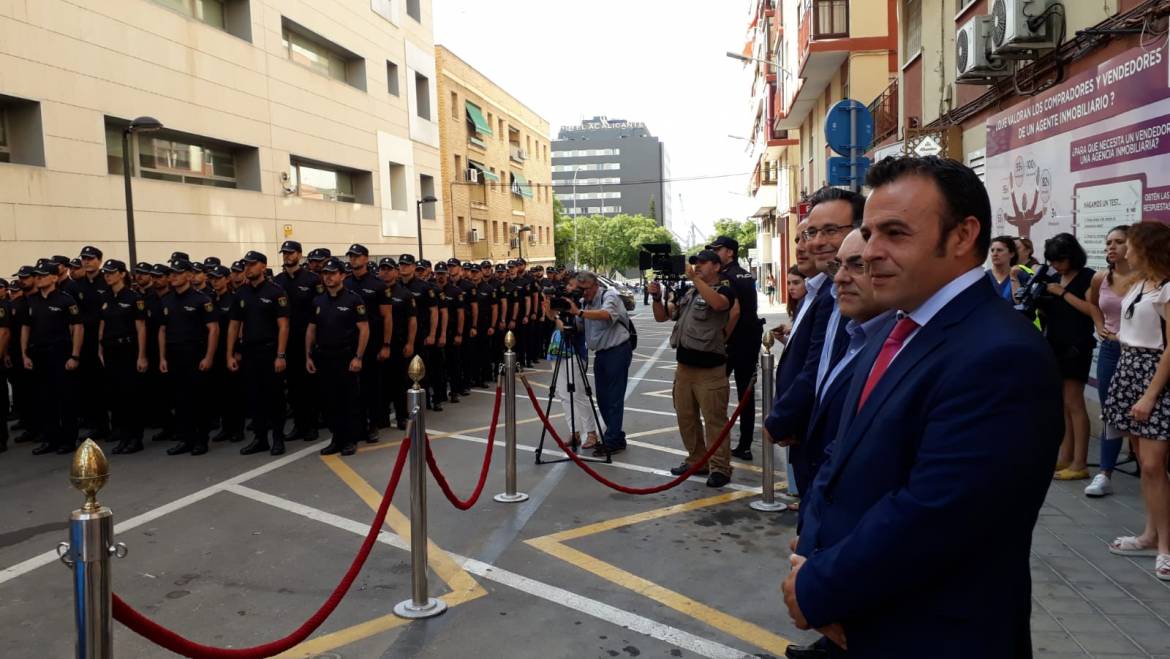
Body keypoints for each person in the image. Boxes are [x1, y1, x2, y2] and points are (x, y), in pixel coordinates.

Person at [783, 156, 1062, 658]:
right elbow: (840, 459)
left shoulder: (1002, 353)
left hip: (929, 634)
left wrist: (818, 585)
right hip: (856, 618)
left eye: (894, 232)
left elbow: (937, 515)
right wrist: (811, 548)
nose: (871, 253)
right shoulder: (893, 327)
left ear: (961, 236)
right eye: (868, 233)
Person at [764, 187, 862, 498]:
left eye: (831, 230)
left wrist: (783, 419)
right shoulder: (826, 295)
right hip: (814, 440)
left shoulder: (868, 304)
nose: (815, 242)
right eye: (811, 233)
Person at [1102, 221, 1170, 581]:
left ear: (1146, 247)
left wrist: (1150, 394)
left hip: (1153, 376)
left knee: (1154, 465)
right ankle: (1150, 534)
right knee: (1145, 463)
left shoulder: (1167, 288)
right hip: (1130, 367)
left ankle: (1165, 547)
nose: (1124, 251)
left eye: (1129, 245)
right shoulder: (1140, 283)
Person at [648, 250, 738, 487]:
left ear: (717, 266)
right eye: (695, 263)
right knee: (686, 418)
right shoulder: (689, 292)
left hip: (710, 370)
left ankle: (720, 467)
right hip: (684, 368)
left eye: (703, 263)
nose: (697, 266)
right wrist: (657, 298)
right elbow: (663, 317)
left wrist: (696, 280)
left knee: (714, 420)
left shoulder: (723, 290)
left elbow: (719, 306)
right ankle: (697, 459)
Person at [1038, 233, 1097, 480]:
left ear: (1071, 256)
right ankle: (1065, 456)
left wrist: (1062, 293)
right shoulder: (1054, 276)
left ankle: (1080, 462)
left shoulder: (1088, 277)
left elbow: (1093, 310)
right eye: (1051, 261)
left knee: (1074, 403)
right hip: (1055, 343)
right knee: (1063, 404)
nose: (1055, 266)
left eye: (1058, 261)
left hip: (1077, 345)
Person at [1085, 225, 1137, 497]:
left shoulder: (1147, 278)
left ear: (1133, 245)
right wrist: (1099, 324)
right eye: (1108, 243)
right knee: (1109, 412)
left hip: (1140, 353)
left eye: (1118, 242)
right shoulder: (1101, 277)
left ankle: (1152, 469)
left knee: (1142, 412)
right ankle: (1105, 473)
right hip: (1109, 350)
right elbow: (1092, 302)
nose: (1111, 247)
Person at [228, 251, 290, 456]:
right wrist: (230, 353)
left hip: (270, 351)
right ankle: (260, 438)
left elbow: (283, 326)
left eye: (252, 264)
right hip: (249, 352)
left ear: (263, 266)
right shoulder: (241, 293)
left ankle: (278, 439)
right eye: (246, 264)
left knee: (274, 398)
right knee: (255, 398)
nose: (248, 268)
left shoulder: (275, 292)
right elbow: (234, 325)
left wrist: (280, 355)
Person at [306, 257, 369, 457]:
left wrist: (358, 357)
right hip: (324, 357)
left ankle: (350, 439)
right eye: (325, 273)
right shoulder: (318, 300)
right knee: (329, 401)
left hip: (345, 356)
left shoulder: (353, 299)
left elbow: (364, 329)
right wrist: (308, 356)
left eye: (332, 273)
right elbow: (311, 330)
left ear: (342, 275)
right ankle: (336, 438)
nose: (328, 277)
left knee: (348, 400)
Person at [567, 271, 632, 457]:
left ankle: (612, 440)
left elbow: (606, 314)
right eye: (580, 289)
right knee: (603, 398)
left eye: (586, 289)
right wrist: (556, 313)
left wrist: (579, 311)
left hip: (617, 350)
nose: (583, 293)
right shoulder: (583, 302)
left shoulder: (608, 295)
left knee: (614, 397)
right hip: (601, 354)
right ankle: (616, 436)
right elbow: (578, 326)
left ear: (595, 285)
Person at [709, 235, 762, 461]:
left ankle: (719, 444)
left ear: (729, 252)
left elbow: (735, 311)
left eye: (717, 249)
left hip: (734, 341)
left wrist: (721, 338)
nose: (714, 253)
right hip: (750, 339)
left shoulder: (727, 277)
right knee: (745, 395)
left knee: (715, 392)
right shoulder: (745, 274)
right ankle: (745, 445)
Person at [22, 259, 83, 455]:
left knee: (65, 399)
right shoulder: (31, 301)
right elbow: (26, 328)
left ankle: (68, 439)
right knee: (44, 399)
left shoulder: (66, 300)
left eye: (42, 276)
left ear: (54, 278)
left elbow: (78, 327)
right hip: (39, 354)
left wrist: (75, 355)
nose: (38, 279)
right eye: (37, 276)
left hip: (60, 353)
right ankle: (51, 439)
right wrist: (24, 354)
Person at [158, 259, 217, 456]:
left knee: (199, 399)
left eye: (178, 273)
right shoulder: (167, 300)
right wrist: (162, 357)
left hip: (195, 353)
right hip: (174, 354)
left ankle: (201, 440)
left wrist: (208, 356)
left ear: (189, 276)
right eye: (171, 273)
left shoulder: (201, 300)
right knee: (180, 400)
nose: (173, 276)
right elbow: (162, 331)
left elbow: (213, 329)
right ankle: (186, 438)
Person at [542, 276, 600, 450]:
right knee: (563, 394)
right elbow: (556, 322)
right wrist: (550, 309)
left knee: (579, 394)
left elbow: (573, 328)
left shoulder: (581, 304)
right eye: (567, 285)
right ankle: (574, 431)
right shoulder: (563, 302)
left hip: (574, 351)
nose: (567, 288)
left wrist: (566, 312)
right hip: (558, 351)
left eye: (571, 285)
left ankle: (591, 433)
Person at [275, 240, 324, 442]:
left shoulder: (313, 280)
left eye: (291, 252)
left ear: (300, 254)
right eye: (285, 253)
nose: (287, 256)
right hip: (287, 340)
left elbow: (321, 308)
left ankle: (311, 425)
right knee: (293, 387)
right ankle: (299, 424)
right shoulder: (278, 281)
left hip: (308, 339)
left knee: (309, 386)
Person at [97, 260, 147, 455]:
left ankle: (136, 438)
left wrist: (142, 356)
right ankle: (124, 437)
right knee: (117, 396)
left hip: (128, 350)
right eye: (106, 273)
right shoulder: (106, 296)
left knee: (131, 396)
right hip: (110, 350)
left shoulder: (134, 297)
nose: (107, 276)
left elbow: (141, 327)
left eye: (111, 272)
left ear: (122, 274)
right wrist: (99, 347)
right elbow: (103, 323)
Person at [344, 244, 394, 436]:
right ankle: (357, 424)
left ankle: (373, 424)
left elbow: (387, 317)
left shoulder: (378, 285)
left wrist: (386, 345)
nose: (353, 260)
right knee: (352, 388)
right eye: (351, 257)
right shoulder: (346, 283)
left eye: (357, 256)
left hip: (373, 342)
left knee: (371, 386)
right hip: (350, 342)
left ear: (366, 258)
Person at [75, 245, 110, 440]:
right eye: (84, 258)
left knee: (110, 385)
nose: (86, 261)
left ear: (99, 261)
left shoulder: (107, 281)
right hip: (86, 341)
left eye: (90, 258)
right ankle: (99, 425)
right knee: (92, 386)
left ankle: (119, 426)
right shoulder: (79, 285)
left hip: (107, 339)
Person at [207, 265, 244, 444]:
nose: (215, 281)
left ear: (227, 279)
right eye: (212, 278)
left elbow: (239, 326)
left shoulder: (234, 299)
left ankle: (237, 429)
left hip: (230, 350)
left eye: (218, 278)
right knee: (219, 391)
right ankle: (226, 427)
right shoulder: (211, 299)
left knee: (234, 393)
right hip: (216, 350)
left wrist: (237, 350)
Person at [986, 236, 1029, 301]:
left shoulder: (1022, 276)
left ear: (1011, 254)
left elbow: (1019, 301)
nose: (994, 254)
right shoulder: (984, 277)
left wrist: (1014, 277)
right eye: (992, 250)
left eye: (999, 250)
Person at [779, 266, 808, 344]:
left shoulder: (812, 306)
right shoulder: (796, 306)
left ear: (807, 282)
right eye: (788, 283)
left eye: (796, 283)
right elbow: (796, 345)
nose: (790, 287)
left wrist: (794, 328)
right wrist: (782, 338)